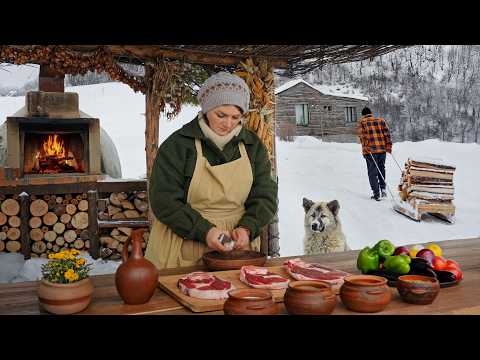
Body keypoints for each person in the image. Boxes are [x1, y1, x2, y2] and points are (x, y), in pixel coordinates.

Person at [144, 72, 278, 269]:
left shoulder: (252, 146)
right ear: (206, 109)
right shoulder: (178, 145)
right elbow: (163, 199)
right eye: (221, 115)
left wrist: (248, 227)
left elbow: (265, 194)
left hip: (236, 248)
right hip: (182, 243)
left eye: (236, 117)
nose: (228, 123)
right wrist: (205, 231)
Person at [357, 107, 392, 201]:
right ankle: (383, 189)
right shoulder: (381, 120)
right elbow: (387, 134)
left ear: (363, 115)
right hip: (382, 150)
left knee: (372, 172)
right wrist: (388, 147)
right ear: (371, 113)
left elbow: (362, 136)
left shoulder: (362, 122)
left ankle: (376, 194)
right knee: (381, 168)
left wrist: (366, 147)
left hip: (370, 151)